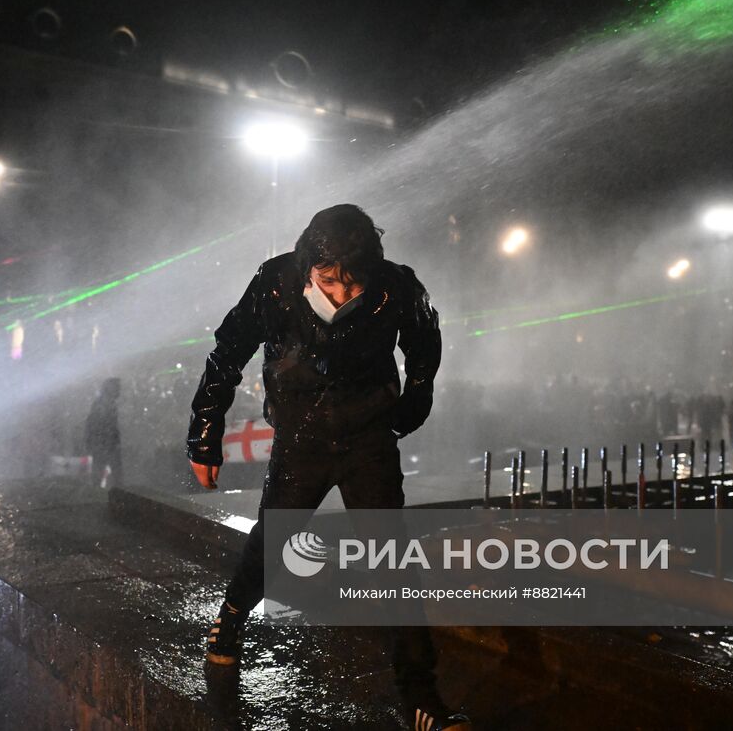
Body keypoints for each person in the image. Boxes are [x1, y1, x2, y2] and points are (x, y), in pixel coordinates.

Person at [186, 204, 469, 730]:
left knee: (393, 559)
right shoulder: (275, 282)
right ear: (308, 266)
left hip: (368, 436)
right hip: (301, 436)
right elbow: (228, 352)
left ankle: (421, 695)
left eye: (351, 283)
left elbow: (424, 347)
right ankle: (231, 617)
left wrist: (412, 403)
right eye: (328, 280)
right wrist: (206, 433)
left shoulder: (397, 287)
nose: (340, 294)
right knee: (272, 541)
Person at [85, 378, 123, 488]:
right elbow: (97, 425)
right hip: (104, 444)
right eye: (117, 387)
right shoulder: (103, 405)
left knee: (106, 472)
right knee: (108, 472)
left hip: (106, 444)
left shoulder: (108, 404)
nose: (119, 390)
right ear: (110, 388)